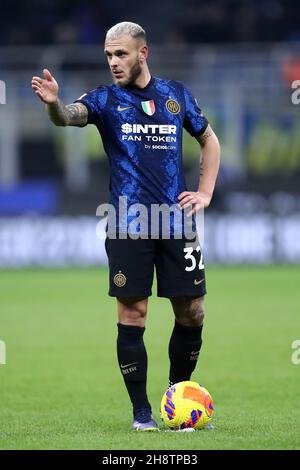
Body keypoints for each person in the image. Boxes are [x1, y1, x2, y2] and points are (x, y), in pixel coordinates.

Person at [31, 21, 220, 432]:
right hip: (128, 224)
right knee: (133, 314)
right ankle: (142, 415)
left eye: (121, 54)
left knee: (192, 312)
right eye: (108, 56)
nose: (113, 62)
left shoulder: (176, 96)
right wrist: (53, 104)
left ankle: (178, 393)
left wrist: (204, 192)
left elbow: (209, 139)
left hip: (175, 222)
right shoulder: (104, 100)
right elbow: (67, 116)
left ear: (143, 53)